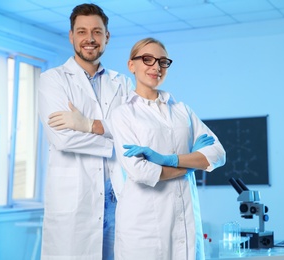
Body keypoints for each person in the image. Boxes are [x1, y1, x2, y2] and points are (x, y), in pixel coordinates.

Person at [109, 37, 226, 260]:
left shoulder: (182, 110)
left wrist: (168, 160)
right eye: (147, 59)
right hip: (144, 230)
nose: (156, 67)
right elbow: (141, 172)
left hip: (185, 225)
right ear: (131, 65)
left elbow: (218, 154)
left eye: (163, 62)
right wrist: (191, 164)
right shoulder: (123, 114)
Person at [38, 3, 133, 260]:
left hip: (118, 198)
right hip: (76, 200)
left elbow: (133, 132)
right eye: (81, 32)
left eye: (96, 32)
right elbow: (63, 138)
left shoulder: (122, 82)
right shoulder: (52, 80)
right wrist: (115, 140)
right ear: (71, 36)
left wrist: (87, 125)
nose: (89, 39)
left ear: (107, 37)